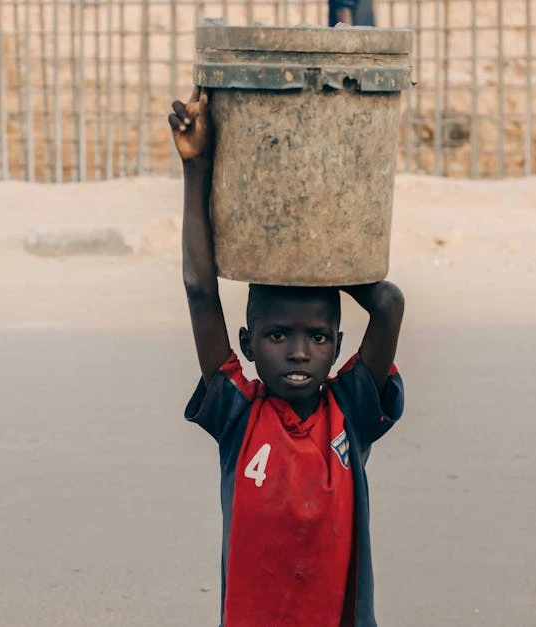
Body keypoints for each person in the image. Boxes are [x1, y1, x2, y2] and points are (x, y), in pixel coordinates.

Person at [168, 87, 406, 627]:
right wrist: (195, 167)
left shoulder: (352, 414)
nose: (299, 351)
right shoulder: (238, 416)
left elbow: (388, 303)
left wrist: (325, 251)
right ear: (248, 345)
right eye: (278, 336)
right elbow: (199, 290)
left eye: (319, 338)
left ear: (338, 348)